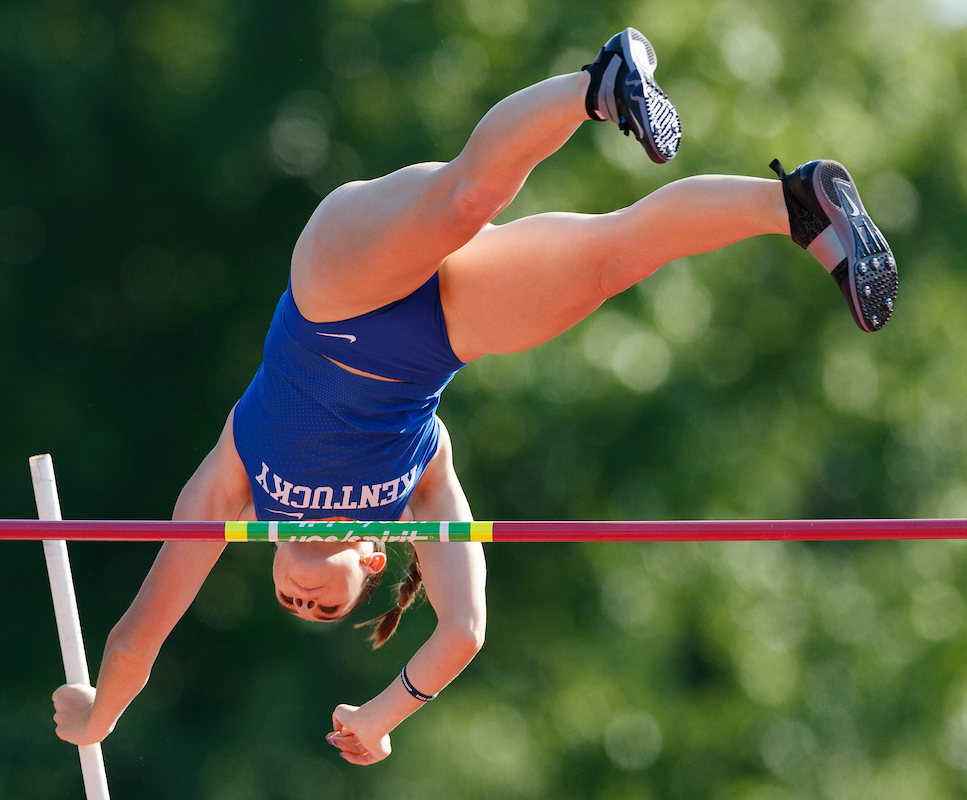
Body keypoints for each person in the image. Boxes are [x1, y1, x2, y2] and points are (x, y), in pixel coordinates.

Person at [50, 27, 897, 765]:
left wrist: (99, 717)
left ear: (270, 556)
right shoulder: (422, 488)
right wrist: (379, 720)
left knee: (465, 201)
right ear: (372, 559)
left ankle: (596, 86)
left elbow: (139, 635)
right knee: (613, 259)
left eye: (288, 598)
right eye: (325, 606)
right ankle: (798, 208)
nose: (304, 599)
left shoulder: (236, 484)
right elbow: (464, 629)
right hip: (437, 335)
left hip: (334, 297)